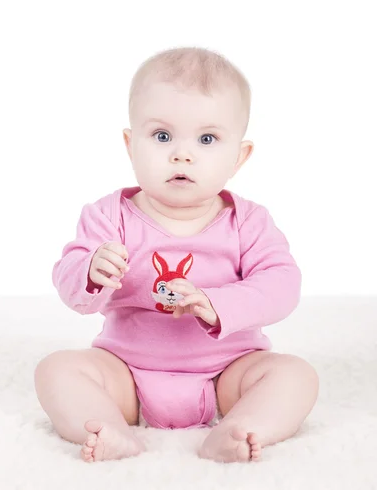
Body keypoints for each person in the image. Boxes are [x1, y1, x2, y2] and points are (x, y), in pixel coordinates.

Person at [34, 47, 319, 463]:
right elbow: (68, 276)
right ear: (131, 145)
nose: (181, 154)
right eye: (162, 136)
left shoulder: (249, 221)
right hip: (126, 373)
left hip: (227, 374)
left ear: (239, 157)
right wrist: (90, 269)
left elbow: (282, 283)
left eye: (207, 139)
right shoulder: (108, 215)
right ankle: (108, 427)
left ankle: (242, 427)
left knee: (296, 376)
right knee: (56, 370)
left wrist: (217, 303)